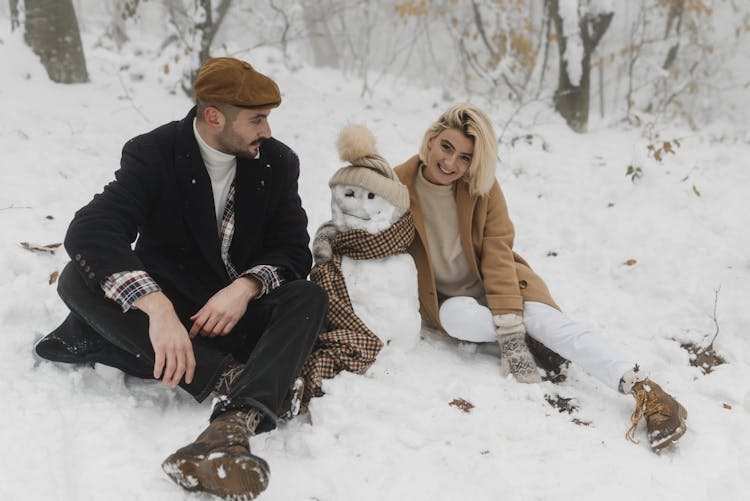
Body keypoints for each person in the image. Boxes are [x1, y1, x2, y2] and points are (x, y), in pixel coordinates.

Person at [34, 57, 327, 499]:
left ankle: (230, 425)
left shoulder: (277, 162)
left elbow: (292, 249)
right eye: (257, 119)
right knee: (76, 278)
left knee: (307, 297)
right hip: (166, 312)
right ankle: (233, 380)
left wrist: (244, 288)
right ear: (214, 117)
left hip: (234, 315)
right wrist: (155, 306)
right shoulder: (153, 153)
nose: (266, 130)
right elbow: (92, 230)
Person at [391, 103, 687, 452]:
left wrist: (510, 322)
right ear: (431, 139)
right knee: (457, 320)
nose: (451, 163)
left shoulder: (482, 189)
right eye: (447, 147)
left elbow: (498, 254)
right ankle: (532, 339)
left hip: (500, 283)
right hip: (448, 300)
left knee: (551, 324)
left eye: (465, 158)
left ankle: (646, 390)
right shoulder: (394, 185)